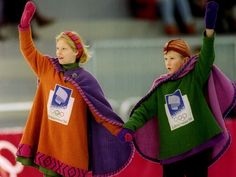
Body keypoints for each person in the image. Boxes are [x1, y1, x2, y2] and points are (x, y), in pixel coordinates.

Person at [118, 1, 236, 177]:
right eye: (166, 59)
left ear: (185, 59)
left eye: (172, 58)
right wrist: (129, 127)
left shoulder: (195, 77)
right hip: (172, 152)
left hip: (198, 146)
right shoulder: (160, 86)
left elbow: (207, 57)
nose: (168, 63)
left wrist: (209, 31)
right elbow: (143, 111)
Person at [15, 1, 132, 177]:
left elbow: (101, 113)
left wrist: (120, 132)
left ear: (76, 51)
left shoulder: (86, 80)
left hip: (73, 150)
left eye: (64, 48)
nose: (59, 52)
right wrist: (24, 27)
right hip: (50, 146)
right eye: (57, 48)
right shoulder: (47, 67)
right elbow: (27, 49)